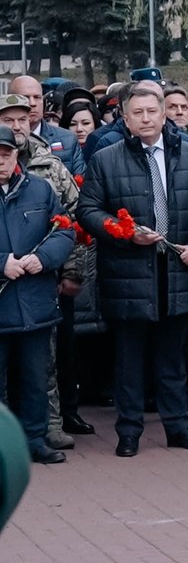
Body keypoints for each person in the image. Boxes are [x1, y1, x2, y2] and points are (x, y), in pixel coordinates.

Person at [77, 83, 188, 454]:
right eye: (136, 113)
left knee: (174, 357)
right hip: (129, 272)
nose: (145, 119)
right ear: (124, 118)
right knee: (129, 360)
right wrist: (124, 234)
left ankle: (178, 427)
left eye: (151, 111)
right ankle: (129, 431)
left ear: (164, 113)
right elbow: (88, 211)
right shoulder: (106, 159)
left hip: (178, 271)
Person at [0, 134, 75, 463]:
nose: (0, 161)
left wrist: (43, 257)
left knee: (35, 377)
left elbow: (65, 230)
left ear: (16, 154)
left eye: (5, 154)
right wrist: (1, 262)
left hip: (34, 302)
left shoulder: (39, 189)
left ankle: (34, 438)